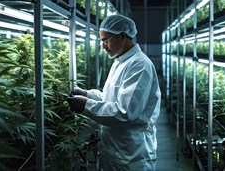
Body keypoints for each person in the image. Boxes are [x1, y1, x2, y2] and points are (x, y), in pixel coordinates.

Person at [66, 14, 161, 171]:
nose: (103, 46)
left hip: (131, 153)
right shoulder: (121, 61)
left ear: (122, 36)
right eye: (101, 41)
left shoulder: (139, 65)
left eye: (106, 40)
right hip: (115, 147)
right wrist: (86, 94)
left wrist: (85, 105)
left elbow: (124, 112)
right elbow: (110, 98)